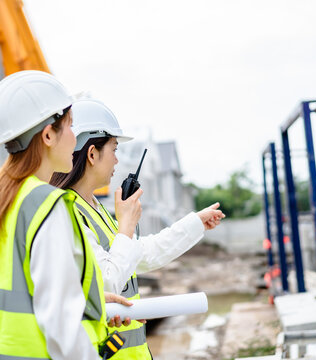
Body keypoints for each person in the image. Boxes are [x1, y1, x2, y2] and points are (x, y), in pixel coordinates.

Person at [0, 72, 131, 360]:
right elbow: (61, 326)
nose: (74, 136)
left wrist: (81, 300)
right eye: (69, 126)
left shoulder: (6, 198)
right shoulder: (47, 204)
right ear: (48, 135)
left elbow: (23, 295)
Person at [50, 98, 225, 359]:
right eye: (114, 150)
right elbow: (105, 283)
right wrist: (127, 226)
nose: (117, 161)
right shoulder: (66, 213)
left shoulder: (95, 209)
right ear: (92, 154)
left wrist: (195, 223)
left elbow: (140, 255)